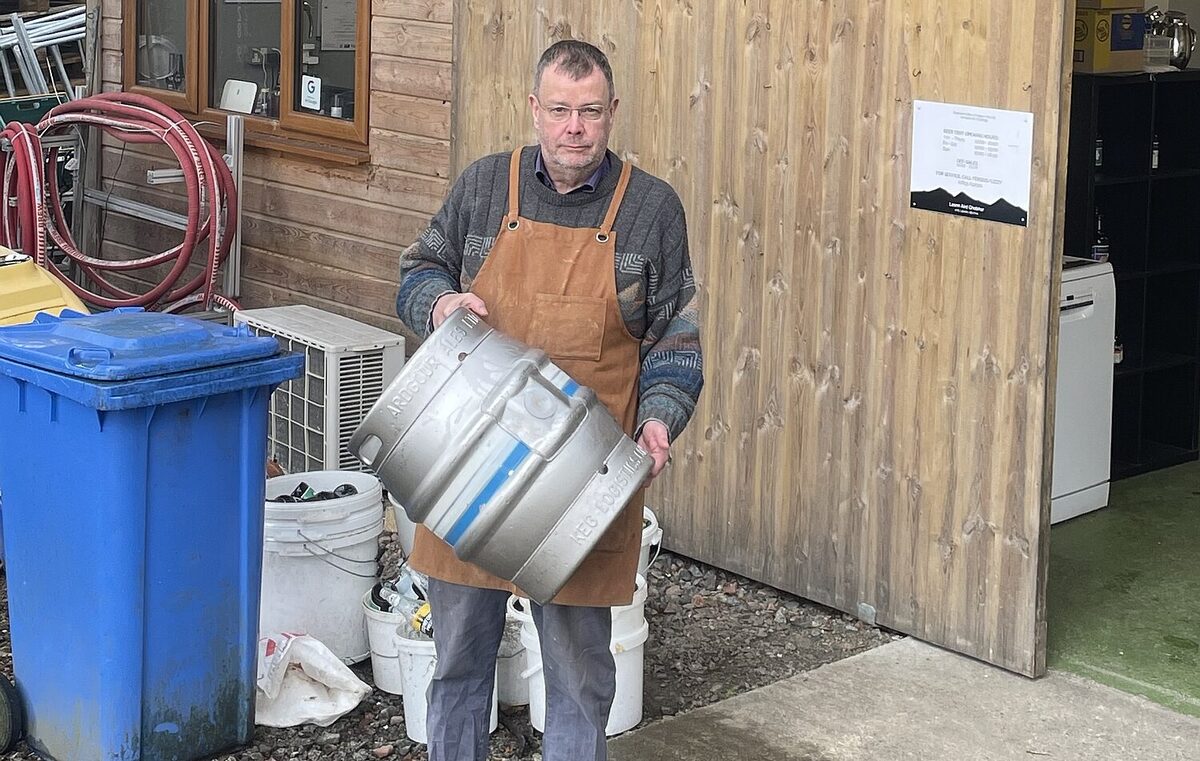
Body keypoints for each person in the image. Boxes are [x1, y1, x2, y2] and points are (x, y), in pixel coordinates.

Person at [395, 39, 704, 761]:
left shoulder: (651, 209)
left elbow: (675, 341)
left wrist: (659, 421)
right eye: (560, 110)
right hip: (467, 469)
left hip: (581, 486)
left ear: (612, 113)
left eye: (590, 112)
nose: (574, 128)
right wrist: (439, 305)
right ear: (534, 109)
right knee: (459, 666)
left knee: (578, 678)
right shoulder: (481, 188)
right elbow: (417, 271)